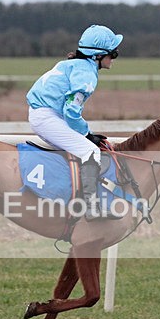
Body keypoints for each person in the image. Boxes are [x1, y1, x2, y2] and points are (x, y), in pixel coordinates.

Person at [26, 24, 123, 221]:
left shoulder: (71, 64)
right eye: (113, 53)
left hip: (45, 114)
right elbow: (71, 112)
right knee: (91, 151)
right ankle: (91, 207)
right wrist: (87, 134)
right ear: (97, 55)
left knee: (82, 148)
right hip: (48, 117)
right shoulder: (86, 73)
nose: (114, 57)